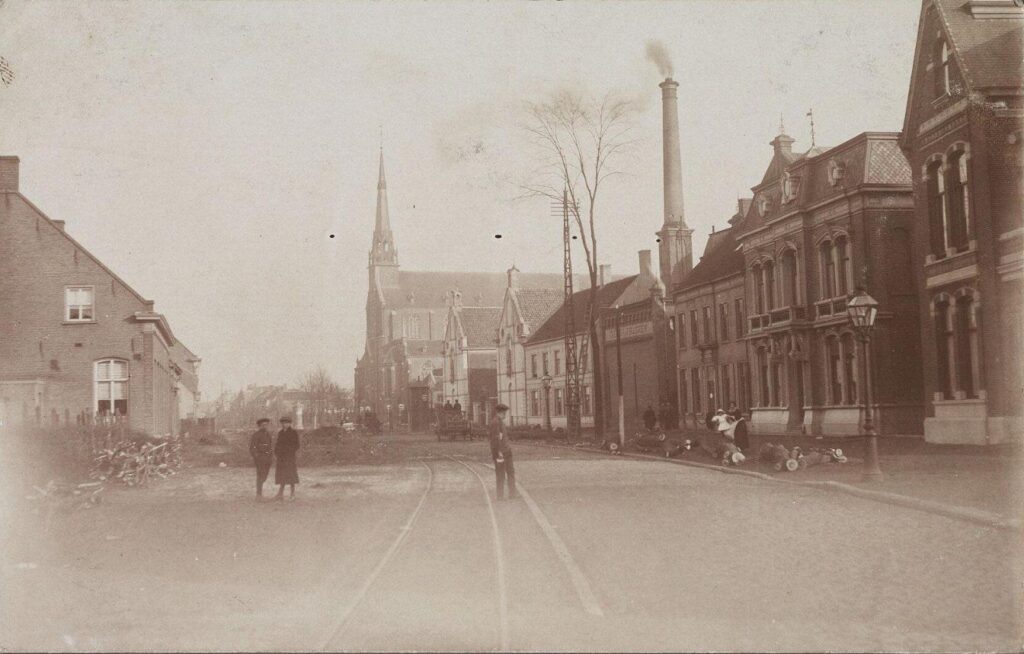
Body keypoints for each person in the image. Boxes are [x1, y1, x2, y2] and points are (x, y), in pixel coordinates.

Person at [488, 403, 516, 500]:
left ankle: (512, 494)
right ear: (500, 412)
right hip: (501, 453)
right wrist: (498, 452)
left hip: (506, 451)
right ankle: (500, 496)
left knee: (510, 472)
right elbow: (495, 439)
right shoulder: (496, 423)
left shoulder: (500, 422)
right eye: (504, 413)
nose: (505, 415)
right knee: (501, 474)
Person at [274, 416, 300, 501]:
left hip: (289, 458)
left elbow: (296, 445)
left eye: (286, 423)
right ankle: (280, 494)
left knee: (291, 475)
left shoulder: (293, 433)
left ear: (289, 424)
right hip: (281, 458)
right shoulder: (280, 433)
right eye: (283, 423)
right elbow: (277, 444)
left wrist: (288, 451)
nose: (284, 425)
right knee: (282, 475)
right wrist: (277, 452)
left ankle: (292, 494)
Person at [248, 418, 274, 499]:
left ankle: (259, 493)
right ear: (259, 426)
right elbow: (252, 448)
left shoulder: (268, 434)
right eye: (263, 425)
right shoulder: (256, 435)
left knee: (265, 475)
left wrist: (271, 456)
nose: (265, 426)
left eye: (266, 425)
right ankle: (258, 494)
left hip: (268, 458)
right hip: (260, 458)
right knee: (260, 475)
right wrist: (257, 457)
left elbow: (270, 446)